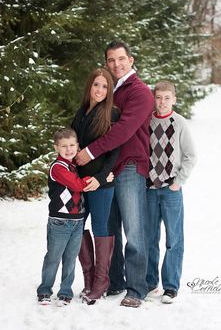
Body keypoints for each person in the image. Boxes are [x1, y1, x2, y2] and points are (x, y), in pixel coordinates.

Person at [75, 40, 154, 308]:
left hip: (130, 165)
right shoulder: (108, 88)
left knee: (134, 228)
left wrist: (91, 152)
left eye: (121, 59)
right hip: (106, 170)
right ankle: (114, 281)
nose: (116, 64)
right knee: (109, 228)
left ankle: (136, 288)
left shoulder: (140, 92)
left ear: (131, 60)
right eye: (111, 60)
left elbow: (123, 131)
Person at [71, 67, 120, 305]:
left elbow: (114, 151)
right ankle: (88, 278)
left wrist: (101, 177)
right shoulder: (81, 113)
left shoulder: (112, 114)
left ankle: (102, 281)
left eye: (104, 86)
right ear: (89, 86)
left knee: (100, 227)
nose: (99, 90)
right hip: (79, 183)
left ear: (109, 90)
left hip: (100, 183)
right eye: (96, 84)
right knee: (77, 225)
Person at [146, 81, 197, 303]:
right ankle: (150, 283)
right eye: (159, 97)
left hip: (171, 190)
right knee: (149, 238)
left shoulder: (179, 123)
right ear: (153, 98)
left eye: (167, 98)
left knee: (174, 239)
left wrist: (178, 182)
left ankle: (171, 287)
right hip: (148, 189)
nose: (162, 102)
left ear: (174, 99)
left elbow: (191, 155)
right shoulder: (147, 121)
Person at [37, 127, 90, 307]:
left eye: (72, 145)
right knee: (53, 256)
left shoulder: (74, 165)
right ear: (56, 148)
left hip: (77, 221)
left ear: (77, 145)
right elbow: (77, 185)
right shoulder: (58, 167)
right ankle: (45, 290)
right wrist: (99, 179)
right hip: (60, 221)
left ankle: (65, 291)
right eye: (64, 146)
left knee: (70, 258)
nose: (69, 149)